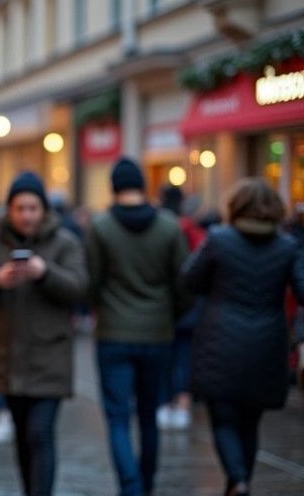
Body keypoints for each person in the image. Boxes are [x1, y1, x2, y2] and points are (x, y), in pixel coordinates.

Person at [0, 172, 88, 496]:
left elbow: (80, 288)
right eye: (20, 208)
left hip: (49, 358)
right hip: (7, 359)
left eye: (33, 208)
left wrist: (46, 273)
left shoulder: (64, 242)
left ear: (43, 209)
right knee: (23, 435)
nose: (27, 215)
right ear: (10, 210)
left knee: (40, 433)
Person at [183, 178, 304, 496]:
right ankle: (239, 483)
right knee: (251, 422)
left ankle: (237, 480)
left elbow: (190, 278)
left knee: (223, 418)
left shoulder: (220, 239)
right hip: (267, 342)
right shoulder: (287, 246)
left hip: (220, 340)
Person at [86, 157, 189, 496]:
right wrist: (170, 317)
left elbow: (92, 283)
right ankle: (145, 484)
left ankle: (129, 486)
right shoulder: (169, 226)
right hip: (158, 334)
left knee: (117, 417)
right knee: (149, 416)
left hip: (113, 334)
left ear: (114, 187)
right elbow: (183, 284)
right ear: (142, 186)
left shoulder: (101, 228)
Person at [157, 186, 206, 431]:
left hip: (165, 304)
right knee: (185, 356)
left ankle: (166, 403)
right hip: (190, 304)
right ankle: (184, 404)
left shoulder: (159, 227)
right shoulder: (192, 230)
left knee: (166, 356)